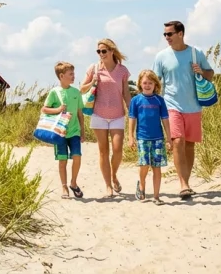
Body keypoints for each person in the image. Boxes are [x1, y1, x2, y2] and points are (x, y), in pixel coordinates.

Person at [152, 20, 214, 200]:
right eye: (164, 34)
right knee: (177, 141)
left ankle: (186, 182)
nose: (166, 37)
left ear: (180, 34)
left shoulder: (196, 53)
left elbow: (211, 75)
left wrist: (201, 71)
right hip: (171, 105)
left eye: (169, 34)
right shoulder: (161, 56)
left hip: (194, 106)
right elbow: (155, 82)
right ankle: (183, 184)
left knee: (189, 144)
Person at [80, 38, 131, 198]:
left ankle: (114, 175)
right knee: (103, 151)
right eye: (98, 51)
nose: (101, 54)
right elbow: (81, 89)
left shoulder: (122, 70)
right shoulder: (94, 68)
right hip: (98, 115)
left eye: (104, 51)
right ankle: (108, 186)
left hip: (117, 115)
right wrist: (92, 81)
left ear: (111, 51)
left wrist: (132, 111)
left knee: (117, 149)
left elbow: (126, 92)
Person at [41, 61, 86, 199]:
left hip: (74, 132)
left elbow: (80, 113)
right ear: (61, 76)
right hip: (59, 133)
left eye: (73, 73)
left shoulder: (76, 92)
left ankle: (73, 183)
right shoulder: (54, 92)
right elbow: (44, 109)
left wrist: (82, 131)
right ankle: (64, 186)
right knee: (62, 160)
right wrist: (58, 109)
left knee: (77, 156)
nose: (73, 76)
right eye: (70, 74)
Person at [128, 69, 172, 205]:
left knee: (156, 167)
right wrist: (130, 136)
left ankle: (156, 196)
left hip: (158, 139)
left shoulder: (159, 100)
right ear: (140, 84)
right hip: (142, 138)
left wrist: (169, 138)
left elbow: (165, 119)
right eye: (145, 83)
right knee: (144, 165)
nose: (147, 85)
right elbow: (132, 118)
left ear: (155, 85)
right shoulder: (136, 100)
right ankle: (141, 186)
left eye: (150, 83)